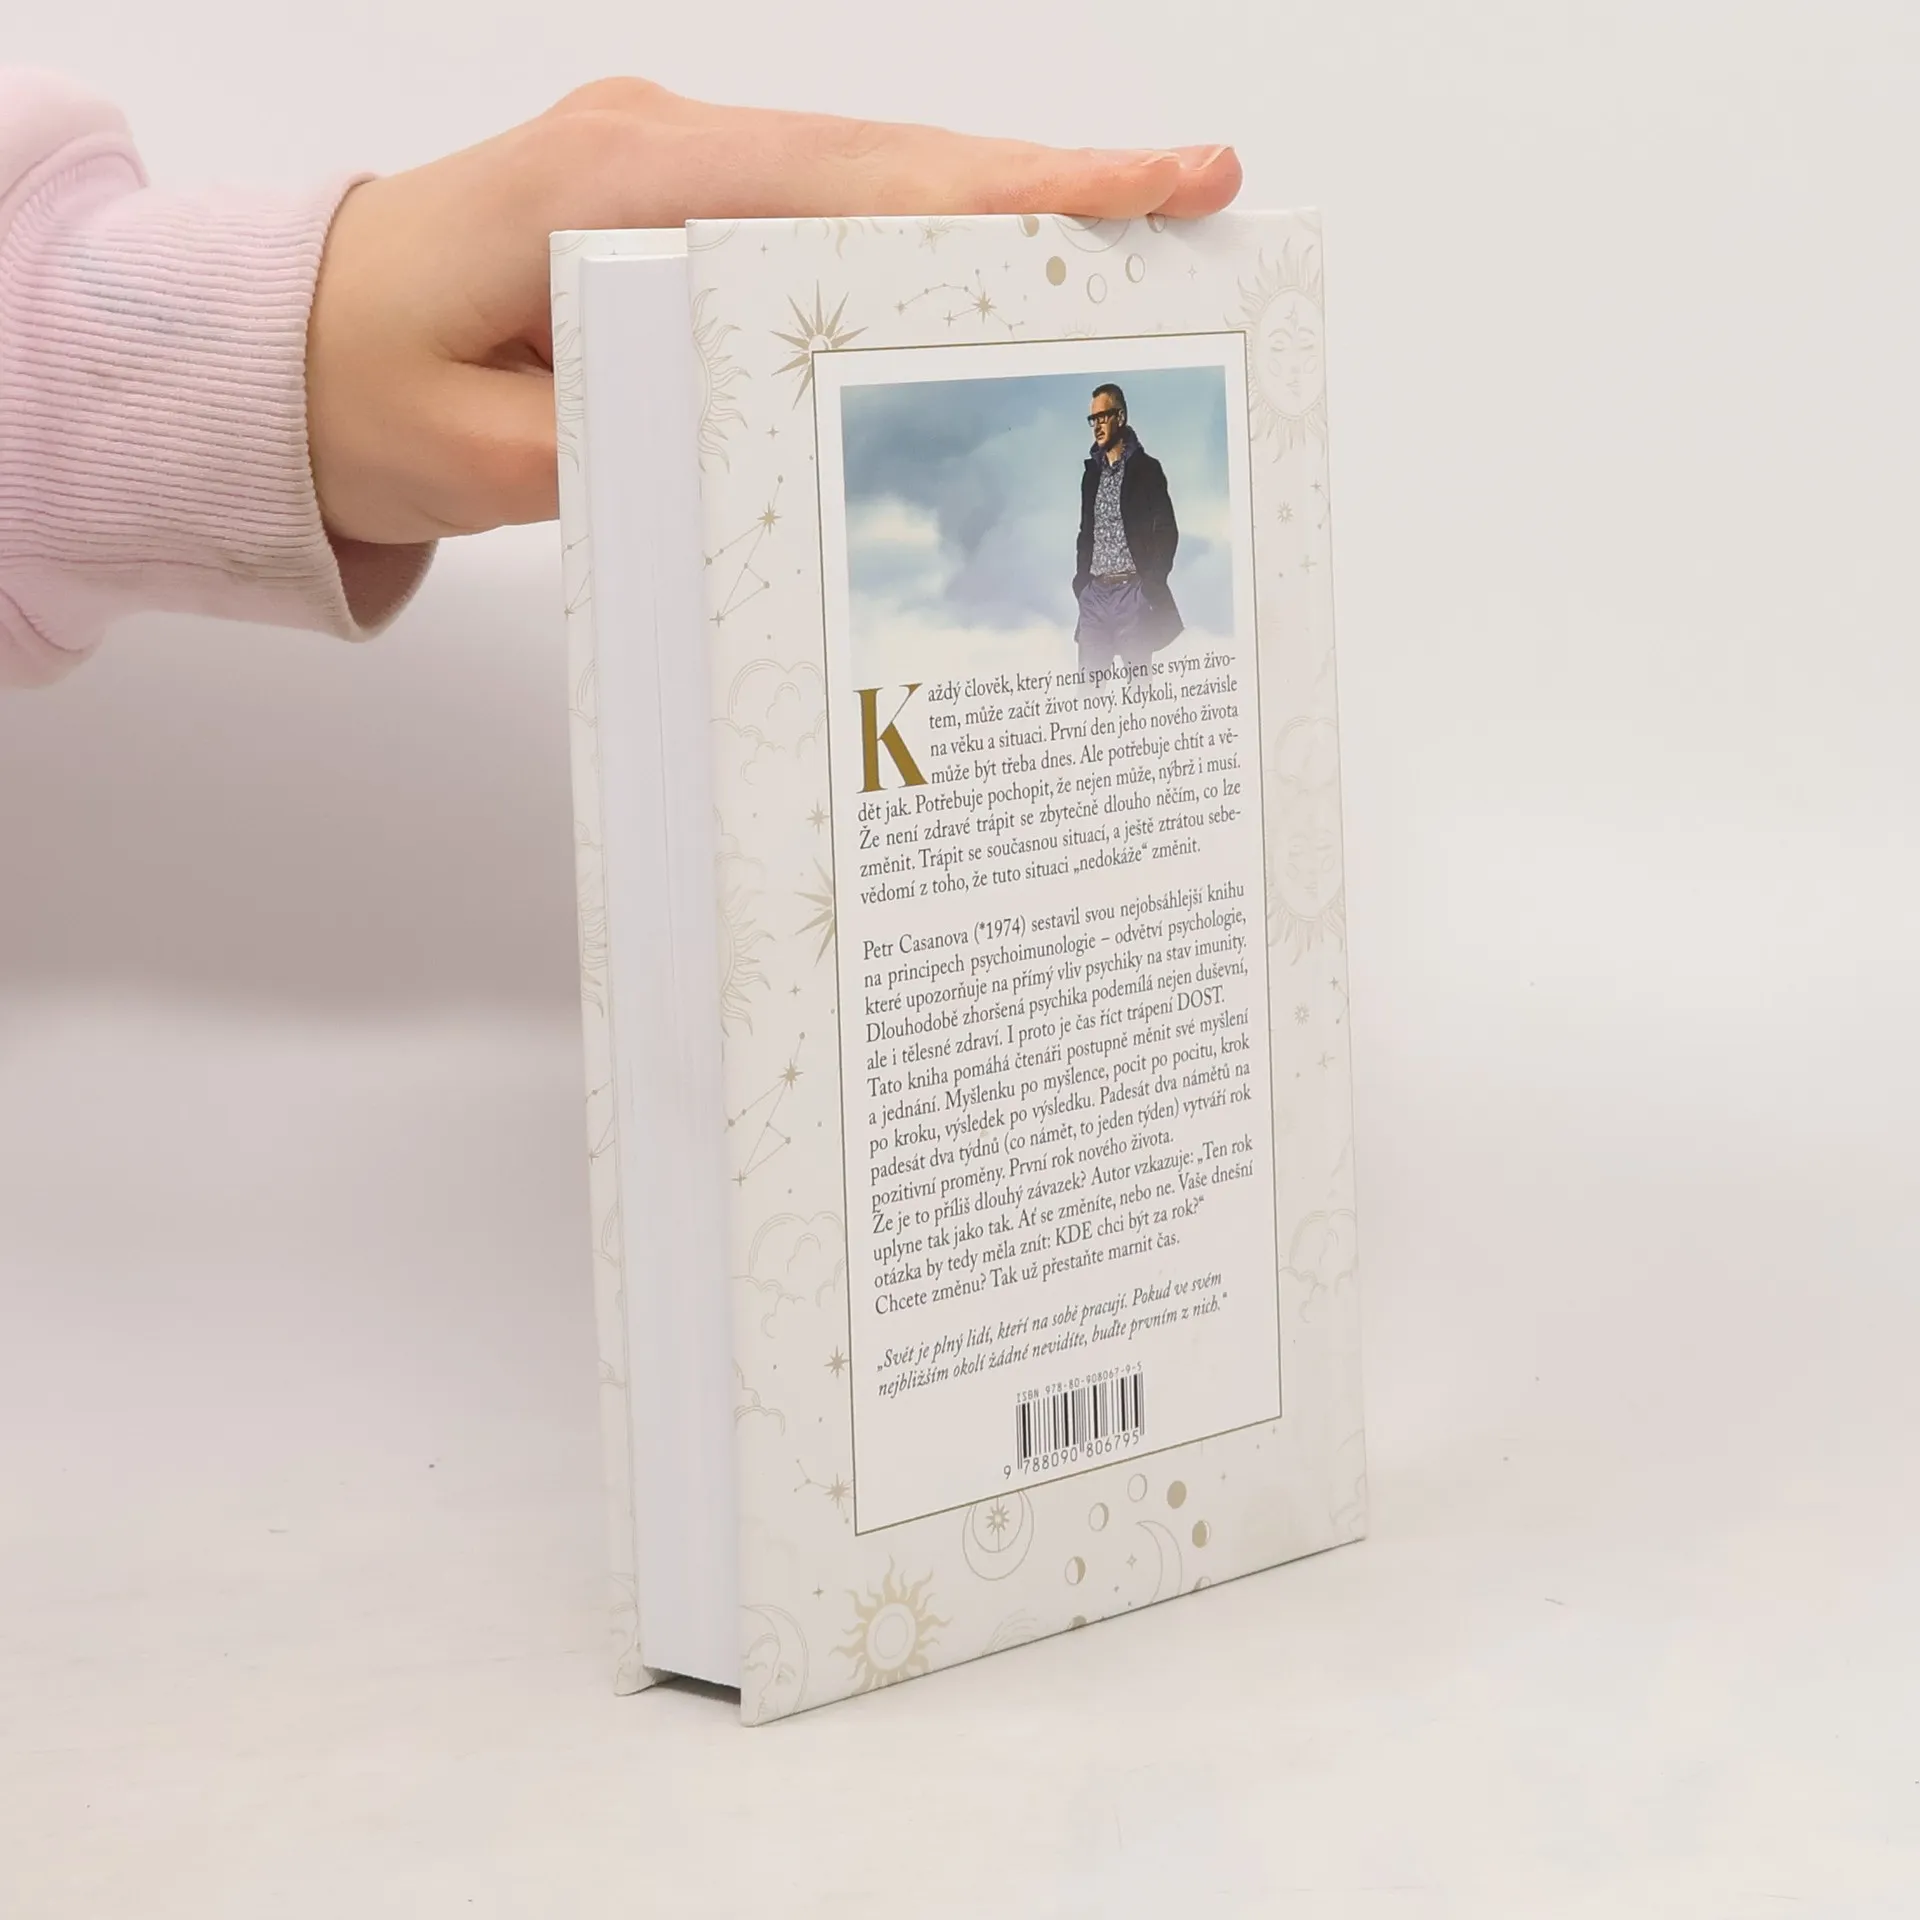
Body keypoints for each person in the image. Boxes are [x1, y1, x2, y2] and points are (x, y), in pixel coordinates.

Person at [0, 72, 1240, 689]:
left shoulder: (1141, 474)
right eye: (1092, 409)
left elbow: (1161, 526)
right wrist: (199, 348)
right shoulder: (1080, 473)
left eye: (1104, 409)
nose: (1097, 420)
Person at [1071, 382, 1183, 675]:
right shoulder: (1091, 475)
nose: (1097, 426)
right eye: (1092, 419)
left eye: (1103, 416)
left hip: (1133, 596)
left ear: (1120, 417)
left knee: (1139, 690)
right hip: (1094, 598)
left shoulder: (1147, 470)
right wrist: (1081, 584)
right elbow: (1085, 533)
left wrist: (1150, 584)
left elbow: (1167, 531)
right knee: (1089, 690)